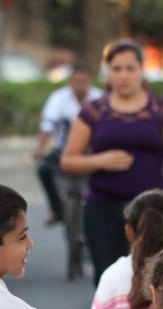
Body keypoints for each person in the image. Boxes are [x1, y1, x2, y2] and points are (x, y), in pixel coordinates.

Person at [61, 39, 163, 286]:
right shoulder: (93, 111)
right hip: (102, 209)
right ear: (108, 73)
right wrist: (100, 161)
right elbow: (68, 161)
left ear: (142, 70)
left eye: (130, 68)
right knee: (108, 281)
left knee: (151, 282)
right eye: (117, 69)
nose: (124, 75)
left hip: (151, 211)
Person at [33, 65, 102, 227]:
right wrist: (40, 148)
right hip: (65, 151)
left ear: (89, 82)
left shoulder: (100, 99)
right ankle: (57, 209)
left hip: (93, 152)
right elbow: (47, 126)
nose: (80, 85)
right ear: (70, 82)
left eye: (83, 81)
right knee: (43, 169)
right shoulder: (58, 99)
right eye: (76, 81)